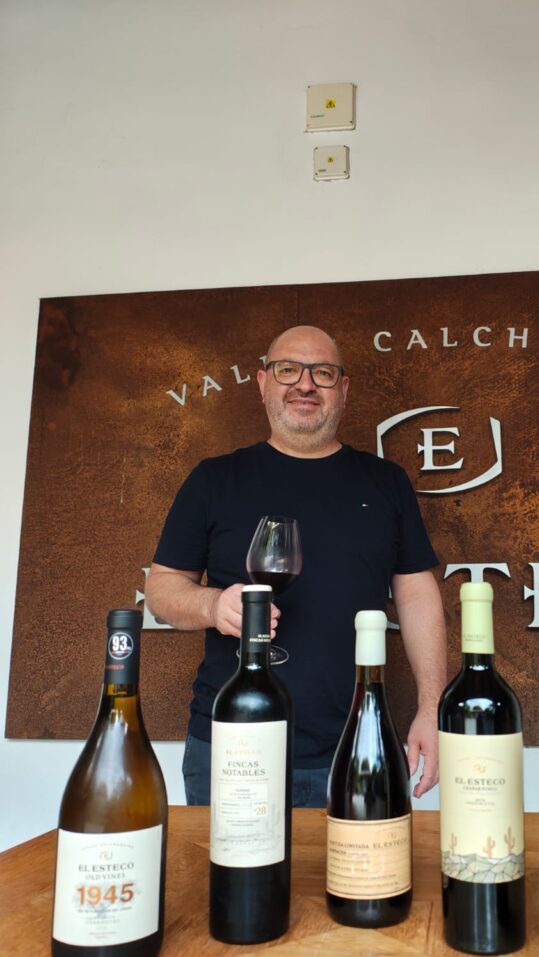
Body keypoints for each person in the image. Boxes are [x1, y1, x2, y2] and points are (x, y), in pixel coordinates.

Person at [146, 325, 447, 807]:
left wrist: (432, 709)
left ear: (343, 389)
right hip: (234, 747)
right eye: (288, 370)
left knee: (368, 862)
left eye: (322, 373)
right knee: (232, 863)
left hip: (358, 745)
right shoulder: (214, 479)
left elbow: (417, 595)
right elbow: (162, 590)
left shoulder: (385, 483)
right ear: (263, 382)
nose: (304, 385)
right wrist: (213, 606)